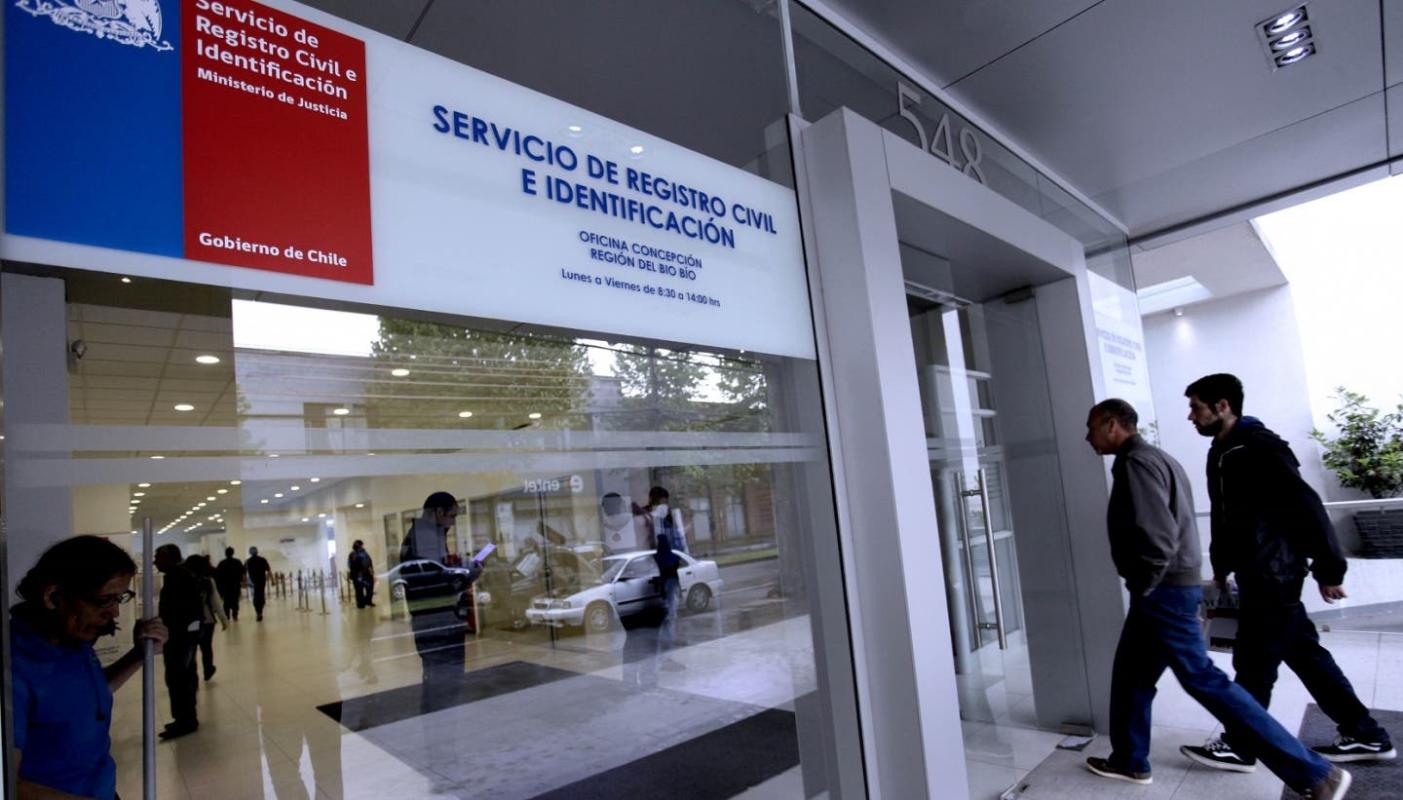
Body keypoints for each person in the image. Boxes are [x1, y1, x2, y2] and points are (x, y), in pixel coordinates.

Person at [1082, 399, 1351, 799]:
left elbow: (1158, 535)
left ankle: (1316, 774)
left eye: (1091, 427)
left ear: (1112, 424)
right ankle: (1129, 760)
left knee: (1205, 680)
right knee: (1131, 679)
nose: (1088, 437)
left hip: (1162, 591)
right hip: (1164, 589)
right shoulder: (1158, 458)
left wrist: (1147, 582)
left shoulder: (1136, 462)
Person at [1180, 374, 1394, 771]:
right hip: (1257, 569)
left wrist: (1329, 568)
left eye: (1196, 407)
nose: (1191, 416)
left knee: (1253, 664)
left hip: (1272, 572)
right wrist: (1222, 565)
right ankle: (1365, 733)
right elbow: (1228, 518)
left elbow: (1305, 505)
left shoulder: (1261, 447)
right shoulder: (1223, 451)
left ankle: (1241, 744)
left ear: (1223, 406)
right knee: (1305, 655)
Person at [10, 536, 169, 800]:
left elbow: (85, 694)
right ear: (53, 597)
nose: (114, 613)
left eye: (119, 598)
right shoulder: (15, 666)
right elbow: (8, 785)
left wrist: (139, 655)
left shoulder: (72, 640)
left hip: (100, 789)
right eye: (104, 600)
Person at [401, 492, 481, 700]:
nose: (453, 522)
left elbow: (435, 574)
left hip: (434, 622)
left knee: (438, 685)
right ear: (438, 512)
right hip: (438, 624)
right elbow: (437, 586)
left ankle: (438, 719)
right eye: (452, 516)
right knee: (444, 687)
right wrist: (468, 576)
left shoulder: (425, 536)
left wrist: (457, 567)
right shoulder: (425, 539)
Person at [154, 543, 203, 739]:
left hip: (181, 638)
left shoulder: (181, 577)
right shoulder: (176, 576)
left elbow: (191, 610)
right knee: (178, 677)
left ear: (169, 557)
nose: (155, 562)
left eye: (158, 557)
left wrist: (189, 636)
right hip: (177, 637)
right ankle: (183, 717)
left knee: (181, 677)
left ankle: (186, 720)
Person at [185, 554, 227, 681]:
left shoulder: (184, 581)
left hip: (189, 620)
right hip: (207, 619)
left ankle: (191, 673)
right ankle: (208, 669)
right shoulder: (208, 581)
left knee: (191, 647)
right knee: (206, 647)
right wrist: (223, 619)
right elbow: (216, 601)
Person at [215, 546, 245, 620]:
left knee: (226, 601)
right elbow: (242, 572)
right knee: (235, 600)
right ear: (233, 553)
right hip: (235, 585)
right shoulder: (237, 562)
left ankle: (227, 615)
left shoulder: (222, 563)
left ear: (225, 553)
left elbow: (217, 575)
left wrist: (219, 587)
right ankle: (235, 615)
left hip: (225, 586)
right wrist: (242, 581)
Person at [348, 539, 376, 609]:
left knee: (360, 590)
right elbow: (368, 563)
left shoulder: (352, 554)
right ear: (361, 545)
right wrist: (371, 572)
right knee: (368, 588)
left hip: (357, 575)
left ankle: (361, 604)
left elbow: (349, 564)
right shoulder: (362, 553)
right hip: (364, 574)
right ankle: (366, 602)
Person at [246, 546, 271, 622]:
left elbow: (244, 572)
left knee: (256, 596)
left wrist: (244, 582)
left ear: (250, 553)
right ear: (257, 552)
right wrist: (272, 579)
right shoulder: (262, 559)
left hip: (253, 582)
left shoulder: (248, 561)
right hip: (261, 581)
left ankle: (258, 612)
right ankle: (260, 611)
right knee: (261, 595)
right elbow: (269, 570)